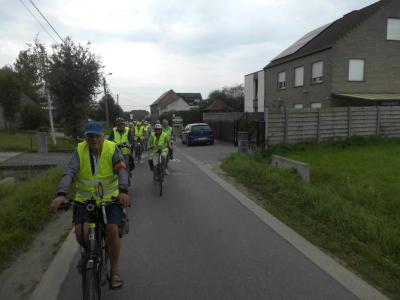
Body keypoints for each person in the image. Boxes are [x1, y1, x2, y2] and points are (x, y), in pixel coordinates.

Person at [51, 121, 130, 290]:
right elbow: (70, 171)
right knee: (81, 233)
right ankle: (88, 253)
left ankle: (114, 272)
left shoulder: (111, 148)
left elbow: (122, 169)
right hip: (84, 200)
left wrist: (123, 190)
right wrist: (61, 194)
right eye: (90, 136)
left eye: (97, 136)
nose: (94, 140)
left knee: (112, 230)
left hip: (109, 199)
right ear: (85, 137)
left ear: (103, 136)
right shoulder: (80, 149)